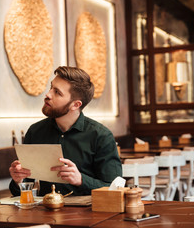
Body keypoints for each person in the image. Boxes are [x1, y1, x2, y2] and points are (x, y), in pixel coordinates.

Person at [9, 66, 122, 196]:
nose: (48, 94)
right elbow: (22, 190)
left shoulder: (101, 136)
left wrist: (80, 180)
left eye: (57, 92)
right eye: (51, 87)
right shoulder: (35, 131)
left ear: (75, 105)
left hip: (89, 214)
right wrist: (18, 180)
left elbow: (115, 189)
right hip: (45, 212)